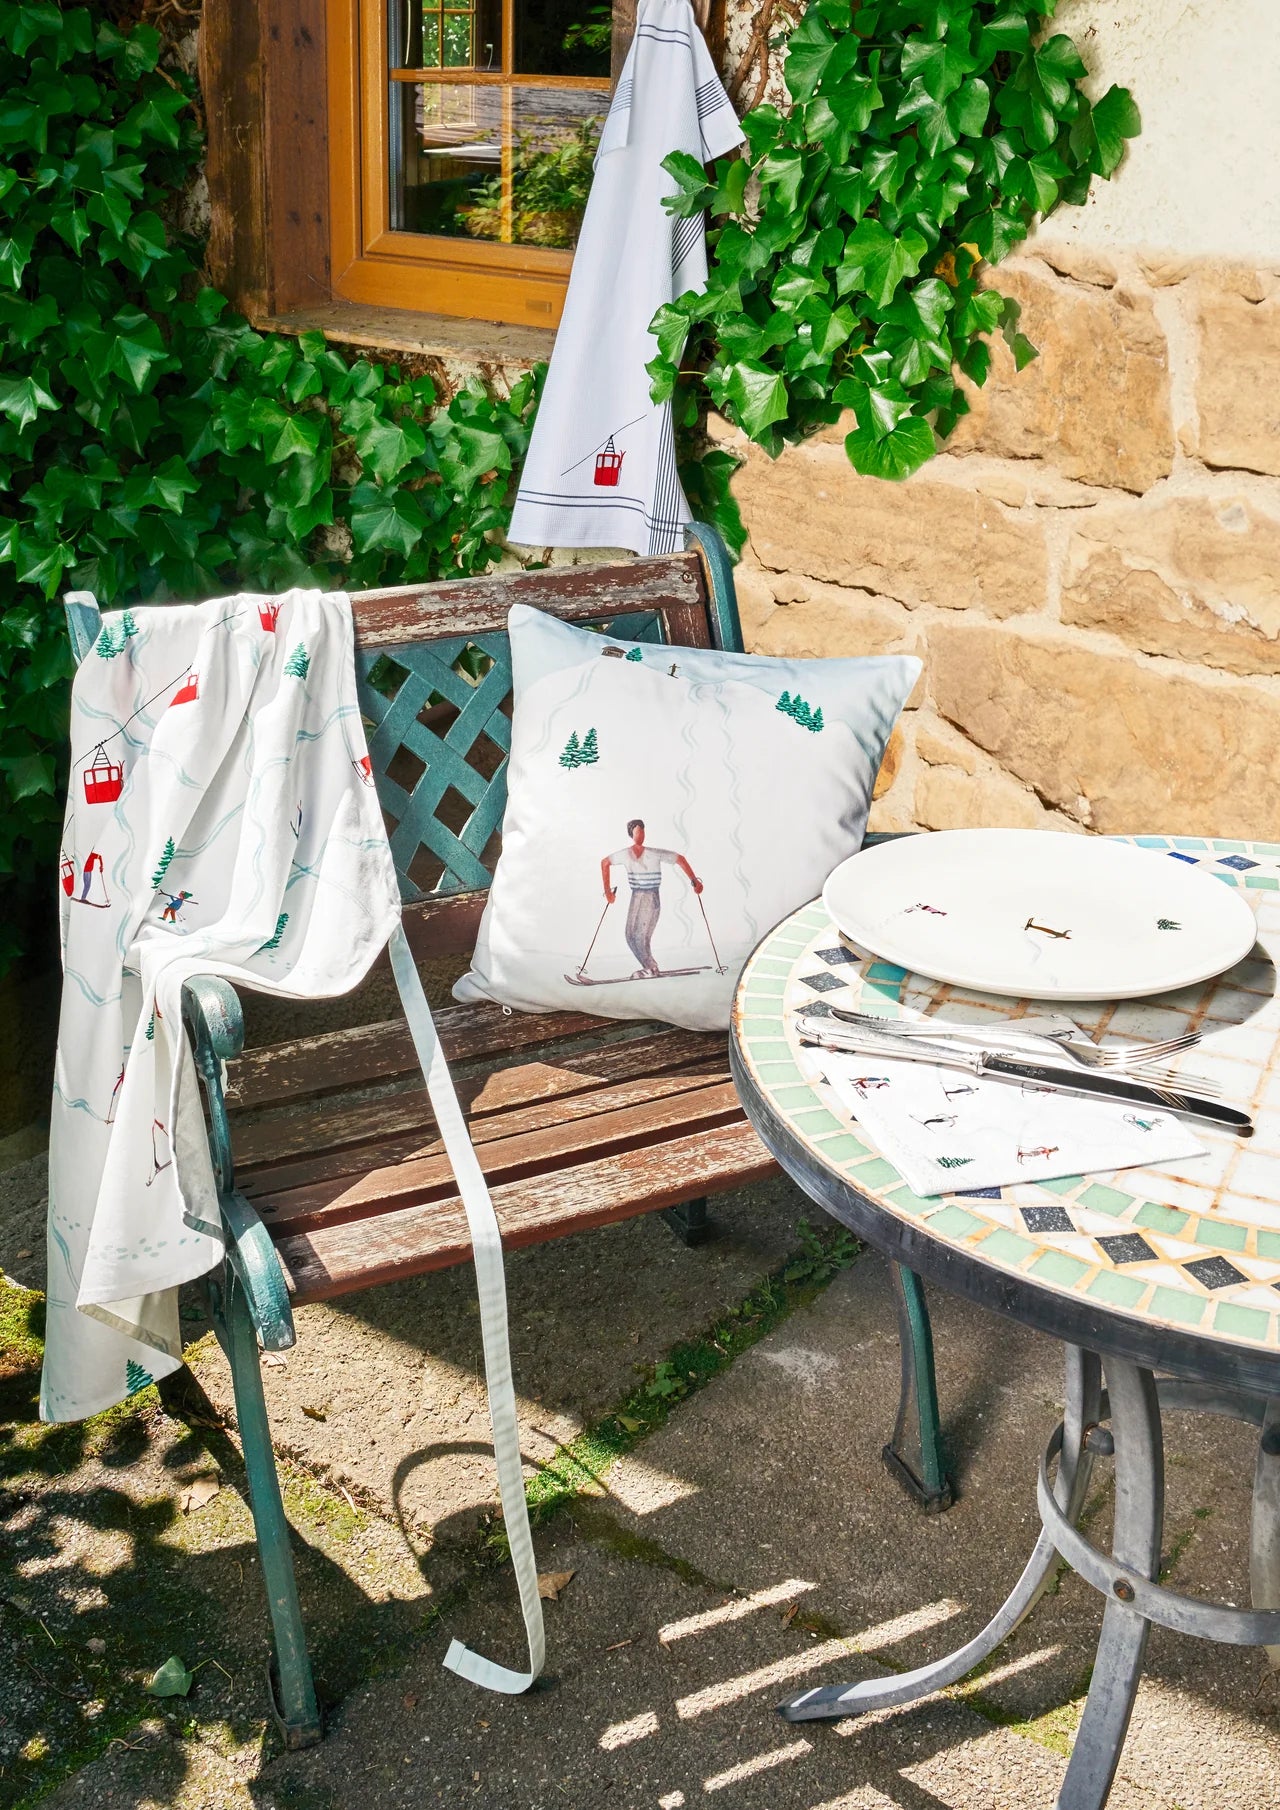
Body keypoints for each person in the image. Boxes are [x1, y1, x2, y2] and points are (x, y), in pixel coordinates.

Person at [601, 819, 702, 978]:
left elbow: (680, 859)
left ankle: (651, 968)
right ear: (631, 834)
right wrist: (607, 892)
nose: (641, 835)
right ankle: (649, 967)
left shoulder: (654, 853)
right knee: (630, 936)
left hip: (650, 896)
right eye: (637, 832)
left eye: (643, 831)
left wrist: (694, 881)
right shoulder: (625, 854)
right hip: (636, 895)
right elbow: (605, 863)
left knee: (641, 937)